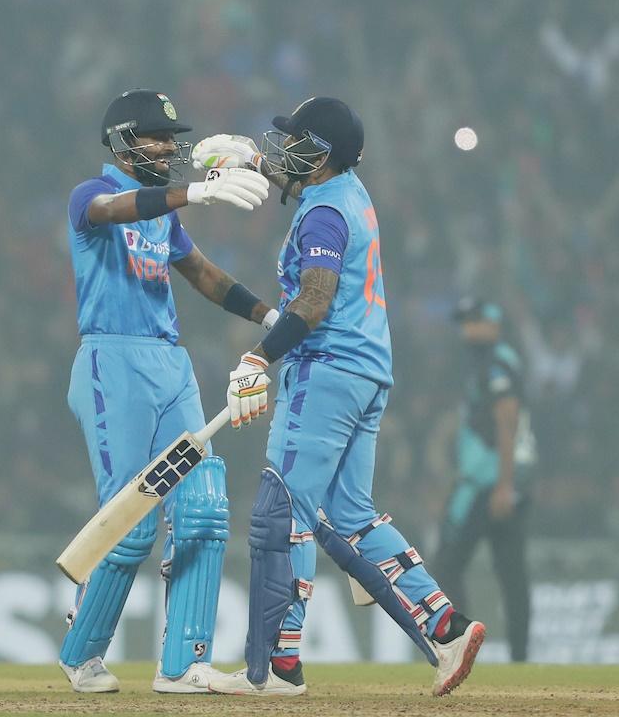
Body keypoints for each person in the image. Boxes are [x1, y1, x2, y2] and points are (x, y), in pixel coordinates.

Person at [206, 97, 485, 697]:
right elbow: (305, 187)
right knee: (351, 517)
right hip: (366, 373)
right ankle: (447, 625)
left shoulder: (325, 214)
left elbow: (315, 299)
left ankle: (275, 669)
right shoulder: (348, 192)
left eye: (296, 141)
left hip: (325, 371)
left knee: (282, 515)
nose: (288, 148)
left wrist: (259, 356)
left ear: (323, 153)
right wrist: (255, 160)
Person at [59, 89, 275, 694]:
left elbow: (203, 274)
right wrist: (197, 191)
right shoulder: (90, 194)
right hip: (113, 363)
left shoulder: (162, 214)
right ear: (124, 139)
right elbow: (111, 210)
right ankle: (83, 655)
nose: (166, 148)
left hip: (169, 365)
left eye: (169, 140)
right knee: (129, 522)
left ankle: (184, 664)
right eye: (155, 137)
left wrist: (268, 317)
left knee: (203, 508)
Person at [440, 298, 535, 662]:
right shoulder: (498, 360)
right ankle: (521, 658)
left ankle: (461, 643)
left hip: (489, 484)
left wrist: (503, 485)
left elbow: (506, 422)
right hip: (506, 482)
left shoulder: (494, 363)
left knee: (448, 563)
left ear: (493, 322)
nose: (466, 329)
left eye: (473, 321)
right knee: (512, 572)